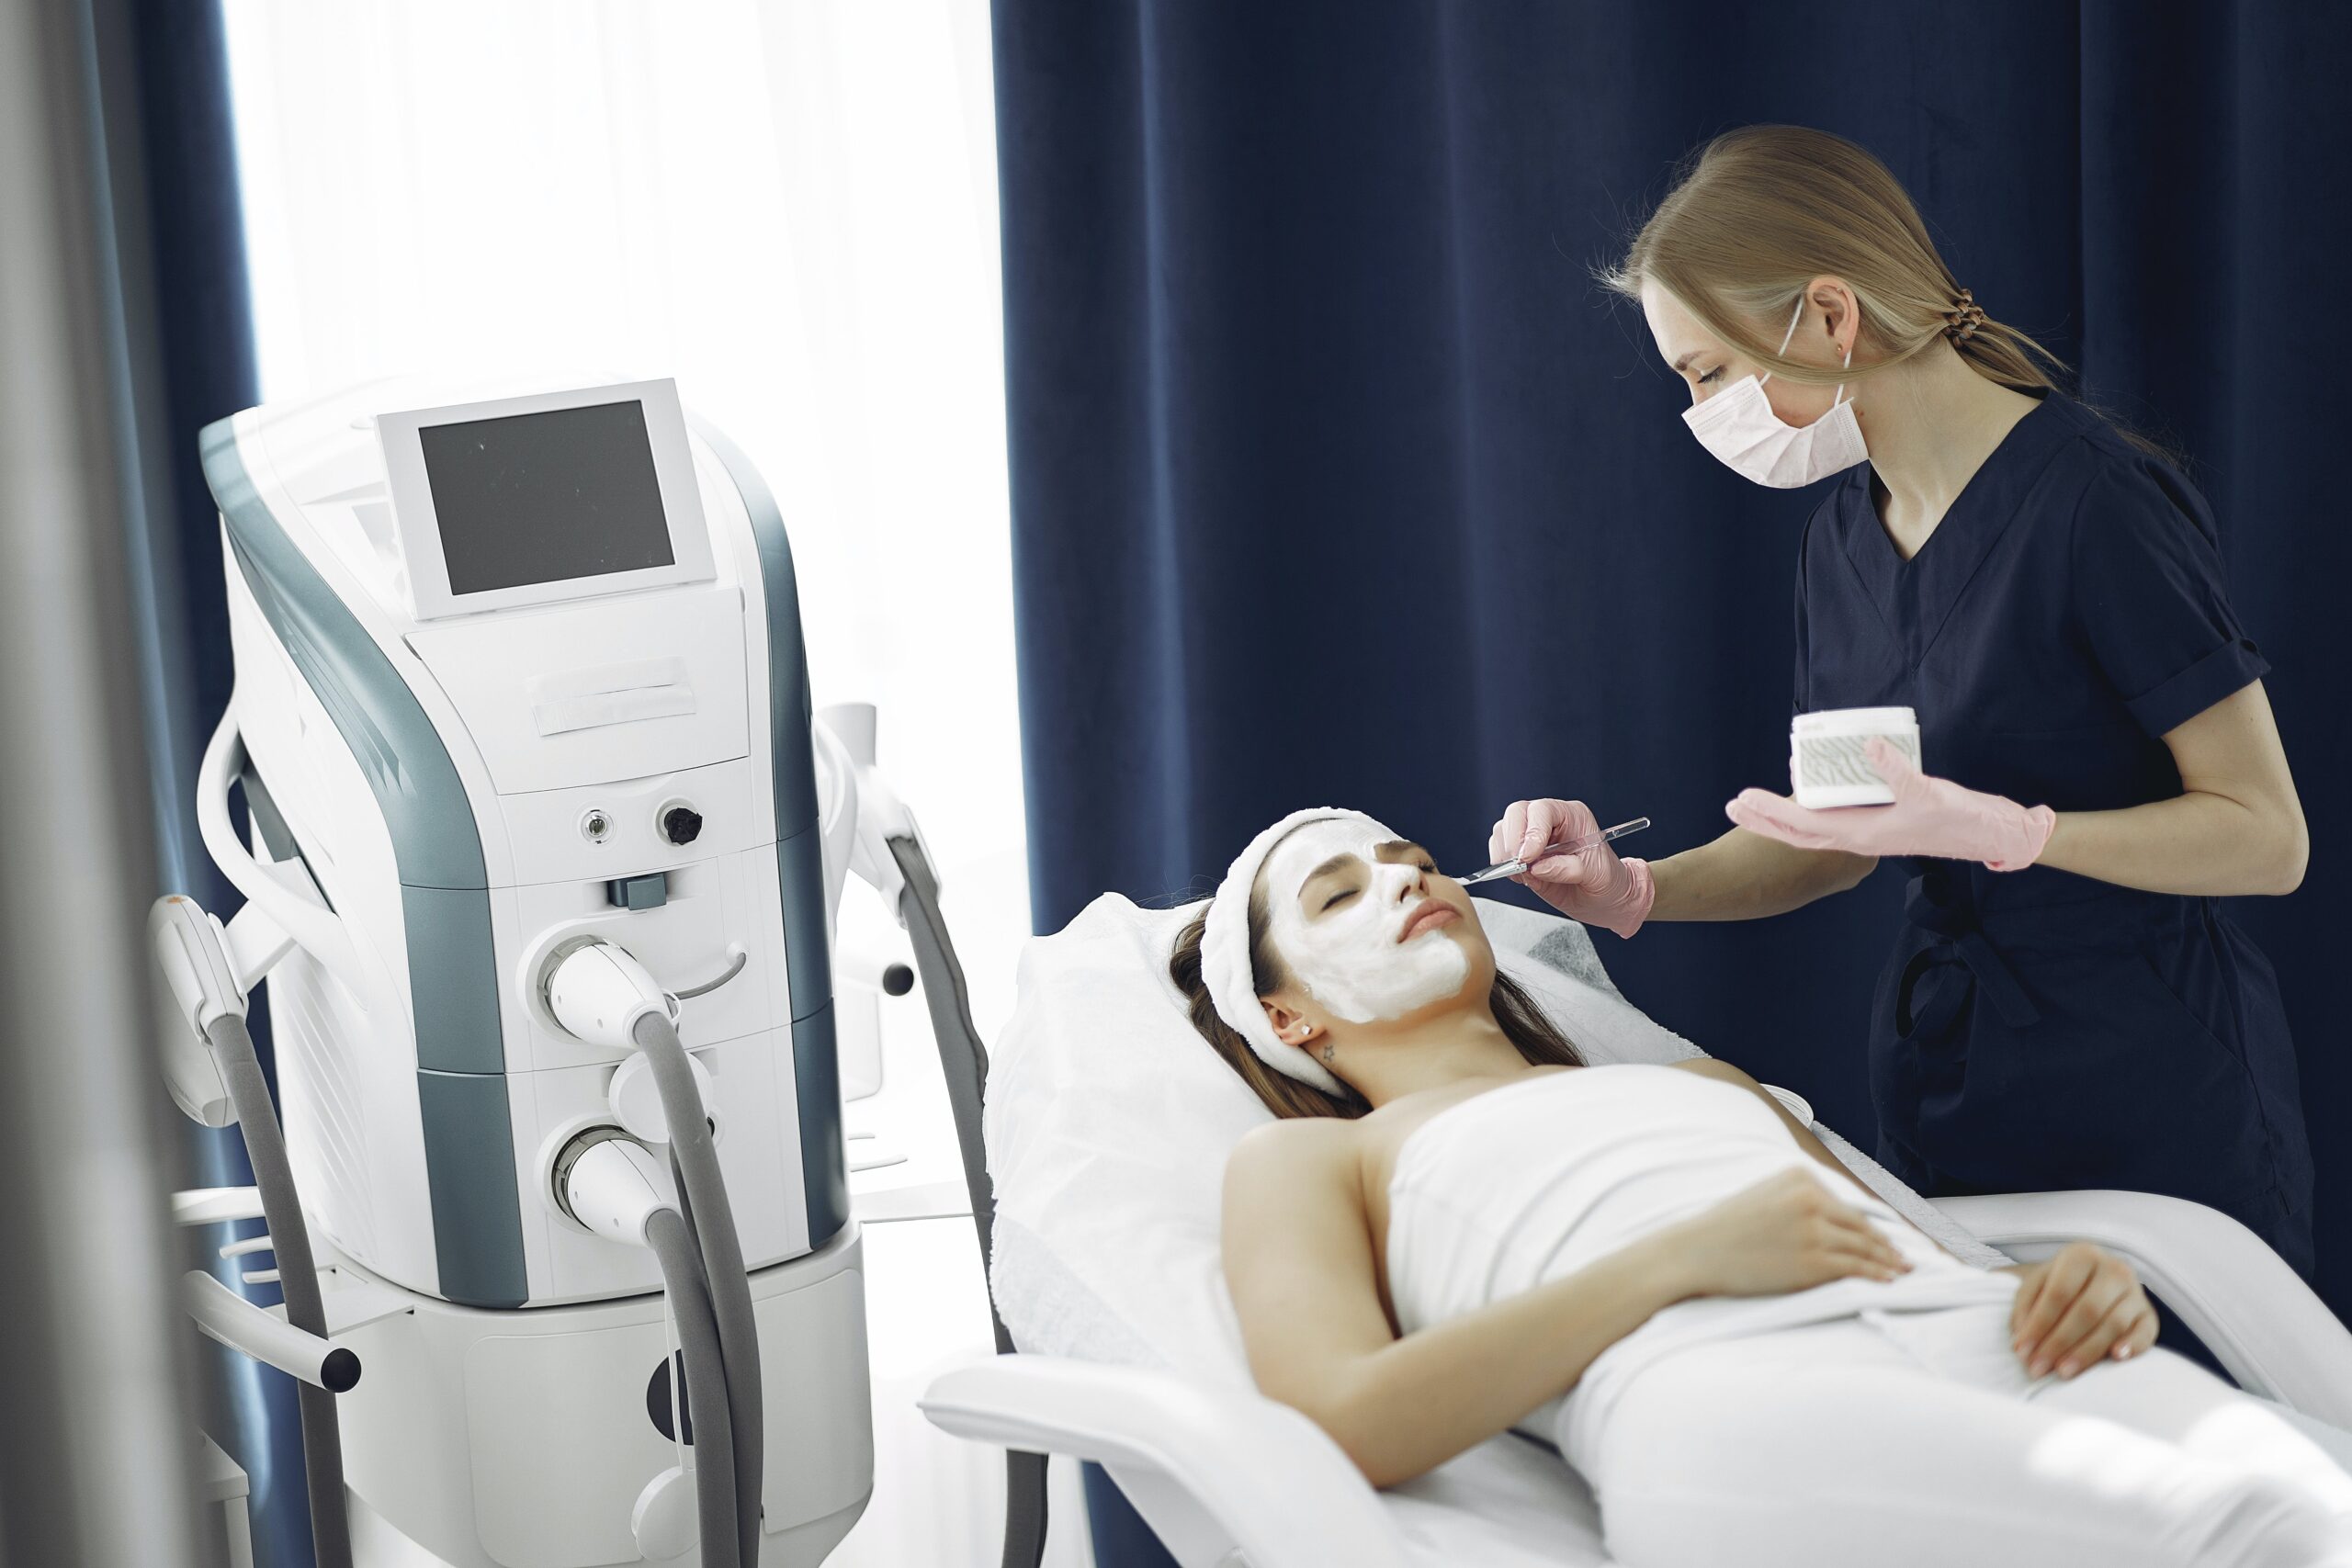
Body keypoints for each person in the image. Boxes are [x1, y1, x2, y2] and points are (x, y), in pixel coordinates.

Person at [1493, 124, 2312, 1280]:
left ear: (1830, 314)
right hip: (1951, 1084)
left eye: (1709, 374)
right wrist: (1631, 889)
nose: (1701, 415)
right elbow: (1831, 846)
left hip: (2150, 1083)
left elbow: (2268, 840)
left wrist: (2022, 836)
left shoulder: (2095, 506)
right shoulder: (1843, 542)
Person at [1168, 807, 2352, 1567]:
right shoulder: (1313, 1160)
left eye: (1414, 864)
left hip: (1989, 1340)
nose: (1403, 884)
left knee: (2322, 1501)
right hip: (1725, 1396)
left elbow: (1928, 1253)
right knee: (2262, 1535)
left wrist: (2072, 1284)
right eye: (1338, 895)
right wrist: (1681, 1260)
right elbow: (1339, 1417)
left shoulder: (1703, 1083)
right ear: (1286, 1016)